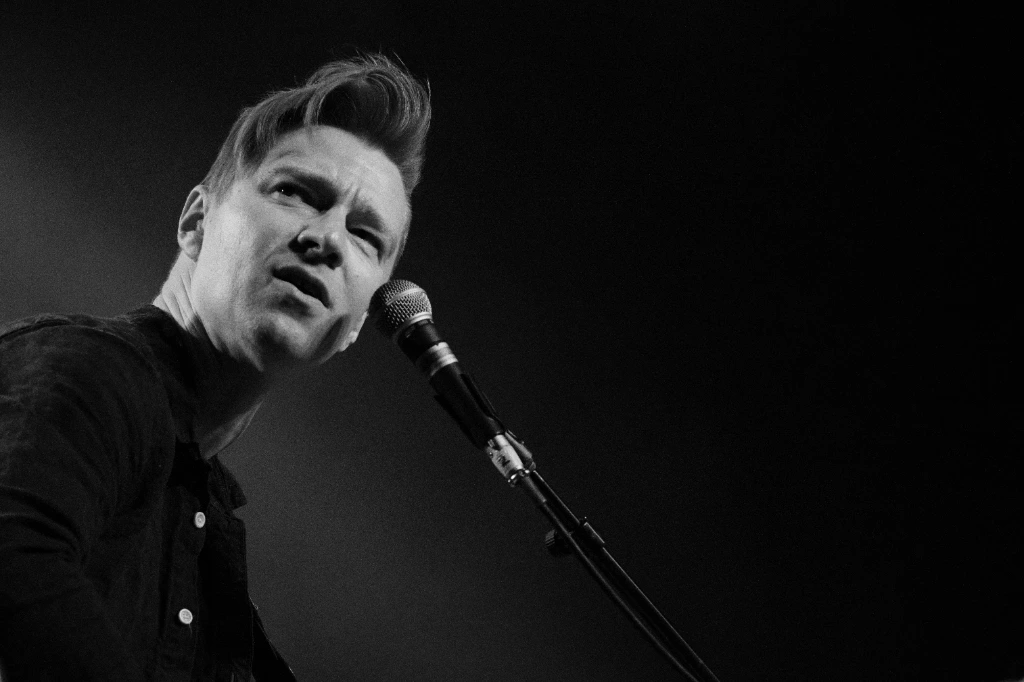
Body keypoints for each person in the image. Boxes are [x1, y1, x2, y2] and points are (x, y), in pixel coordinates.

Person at [0, 53, 431, 680]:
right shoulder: (94, 370)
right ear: (197, 222)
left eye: (366, 236)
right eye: (295, 192)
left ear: (359, 322)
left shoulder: (204, 527)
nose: (329, 239)